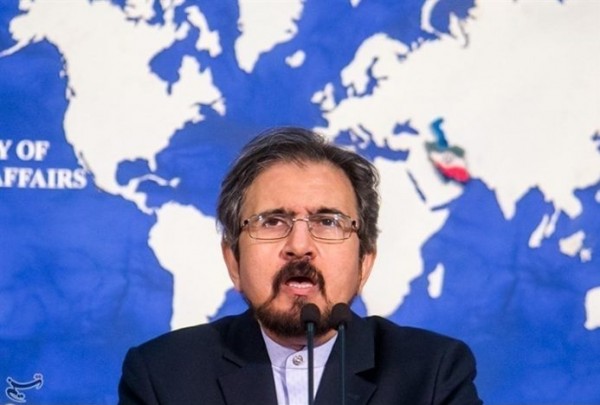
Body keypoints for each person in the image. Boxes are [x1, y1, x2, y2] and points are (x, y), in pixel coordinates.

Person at [118, 127, 483, 404]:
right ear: (233, 260)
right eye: (272, 221)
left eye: (328, 222)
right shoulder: (163, 375)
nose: (299, 246)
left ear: (365, 262)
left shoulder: (431, 374)